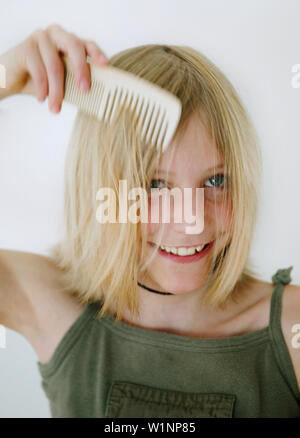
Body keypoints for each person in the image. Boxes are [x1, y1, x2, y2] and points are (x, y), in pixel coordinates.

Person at [0, 23, 299, 418]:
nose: (192, 221)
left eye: (216, 180)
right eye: (155, 185)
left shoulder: (290, 330)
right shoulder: (50, 302)